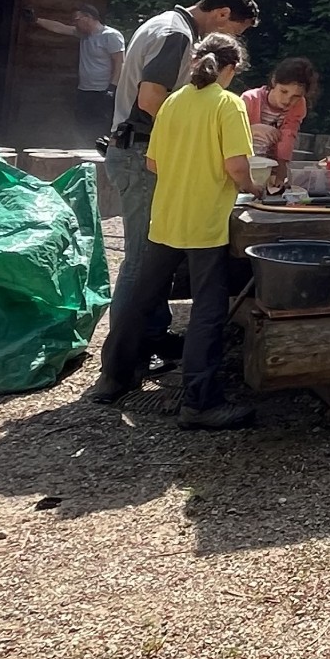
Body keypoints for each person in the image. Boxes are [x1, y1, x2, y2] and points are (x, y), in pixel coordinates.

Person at [88, 33, 256, 428]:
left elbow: (153, 163)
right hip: (205, 223)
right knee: (208, 311)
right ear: (231, 69)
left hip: (165, 218)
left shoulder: (174, 102)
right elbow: (236, 167)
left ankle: (114, 378)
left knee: (141, 299)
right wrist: (255, 188)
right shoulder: (228, 105)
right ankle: (200, 402)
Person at [102, 0, 259, 369]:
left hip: (136, 149)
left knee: (154, 260)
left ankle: (150, 339)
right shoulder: (177, 34)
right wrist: (196, 138)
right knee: (142, 262)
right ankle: (124, 359)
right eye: (236, 30)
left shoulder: (165, 22)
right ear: (222, 14)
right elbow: (151, 99)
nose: (233, 38)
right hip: (137, 150)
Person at [27, 4, 124, 137]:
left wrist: (112, 88)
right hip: (84, 90)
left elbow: (120, 63)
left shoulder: (111, 36)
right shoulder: (83, 35)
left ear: (88, 17)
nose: (74, 24)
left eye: (76, 20)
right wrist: (36, 20)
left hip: (103, 91)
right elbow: (60, 27)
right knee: (83, 124)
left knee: (101, 127)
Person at [239, 57, 317, 190]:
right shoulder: (249, 99)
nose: (287, 100)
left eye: (296, 96)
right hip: (242, 168)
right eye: (284, 91)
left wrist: (280, 175)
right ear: (274, 82)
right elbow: (230, 135)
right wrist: (254, 129)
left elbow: (288, 137)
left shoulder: (298, 106)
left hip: (268, 170)